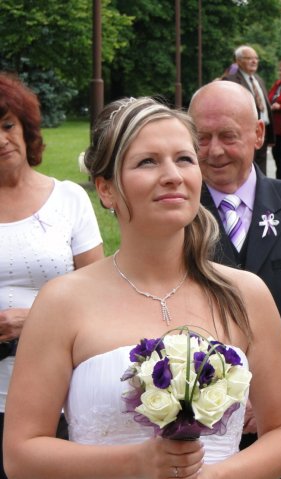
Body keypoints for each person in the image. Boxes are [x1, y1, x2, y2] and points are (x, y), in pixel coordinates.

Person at [4, 97, 281, 478]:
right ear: (106, 189)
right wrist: (136, 463)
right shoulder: (62, 302)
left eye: (184, 159)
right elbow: (20, 455)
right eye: (148, 162)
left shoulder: (245, 295)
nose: (173, 175)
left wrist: (216, 475)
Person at [190, 81, 281, 479]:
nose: (214, 151)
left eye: (228, 136)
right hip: (197, 426)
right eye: (202, 138)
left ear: (258, 134)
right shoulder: (176, 216)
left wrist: (272, 392)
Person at [0, 72, 103, 479]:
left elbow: (100, 295)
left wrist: (35, 321)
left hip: (60, 389)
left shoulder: (69, 199)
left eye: (7, 125)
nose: (1, 140)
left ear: (26, 129)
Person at [222, 45, 274, 175]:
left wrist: (270, 135)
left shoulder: (258, 80)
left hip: (262, 130)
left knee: (262, 169)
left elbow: (266, 106)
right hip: (245, 131)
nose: (254, 61)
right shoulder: (230, 80)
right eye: (249, 58)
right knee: (247, 168)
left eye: (256, 58)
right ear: (238, 61)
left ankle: (261, 187)